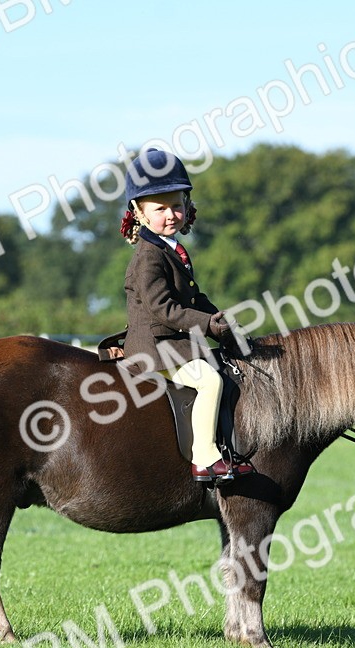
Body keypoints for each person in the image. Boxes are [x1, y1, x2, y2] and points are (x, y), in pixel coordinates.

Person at [115, 148, 253, 483]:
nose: (171, 214)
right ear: (139, 212)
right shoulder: (149, 256)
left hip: (171, 341)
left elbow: (195, 297)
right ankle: (204, 458)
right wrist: (205, 325)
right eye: (160, 208)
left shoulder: (171, 248)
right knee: (209, 381)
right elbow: (164, 309)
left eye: (177, 205)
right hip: (155, 347)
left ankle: (229, 450)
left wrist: (222, 324)